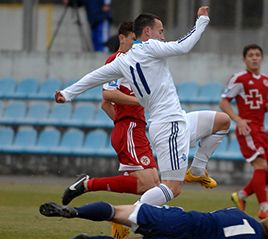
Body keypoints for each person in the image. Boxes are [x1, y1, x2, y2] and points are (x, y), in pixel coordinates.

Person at [55, 6, 230, 207]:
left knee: (223, 121)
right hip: (168, 126)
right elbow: (183, 46)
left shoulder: (124, 61)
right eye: (161, 31)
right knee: (172, 188)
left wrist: (68, 93)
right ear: (148, 32)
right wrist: (202, 21)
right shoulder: (149, 47)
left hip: (175, 119)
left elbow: (93, 77)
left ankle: (197, 169)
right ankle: (131, 213)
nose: (163, 37)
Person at [39, 201, 268, 239]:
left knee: (115, 212)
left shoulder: (238, 213)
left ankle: (76, 211)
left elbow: (221, 212)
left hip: (183, 221)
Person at [219, 44, 268, 219]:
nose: (254, 58)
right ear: (244, 59)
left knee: (265, 170)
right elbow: (224, 102)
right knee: (261, 166)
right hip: (247, 128)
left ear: (261, 58)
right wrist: (238, 120)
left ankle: (240, 196)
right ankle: (264, 208)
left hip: (262, 130)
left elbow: (264, 105)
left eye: (257, 55)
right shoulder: (239, 79)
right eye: (250, 55)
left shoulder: (265, 80)